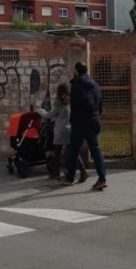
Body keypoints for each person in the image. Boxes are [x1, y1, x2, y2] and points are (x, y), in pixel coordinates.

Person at [38, 83, 88, 184]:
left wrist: (41, 111)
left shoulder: (58, 102)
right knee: (74, 152)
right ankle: (83, 171)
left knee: (57, 152)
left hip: (61, 131)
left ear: (58, 91)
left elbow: (50, 115)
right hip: (70, 130)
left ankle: (56, 172)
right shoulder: (70, 101)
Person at [68, 61, 107, 190]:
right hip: (94, 121)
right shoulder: (94, 84)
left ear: (77, 71)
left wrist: (73, 120)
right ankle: (102, 179)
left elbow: (75, 106)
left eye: (74, 69)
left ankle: (70, 177)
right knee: (96, 151)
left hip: (80, 123)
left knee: (74, 150)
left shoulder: (76, 85)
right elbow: (100, 104)